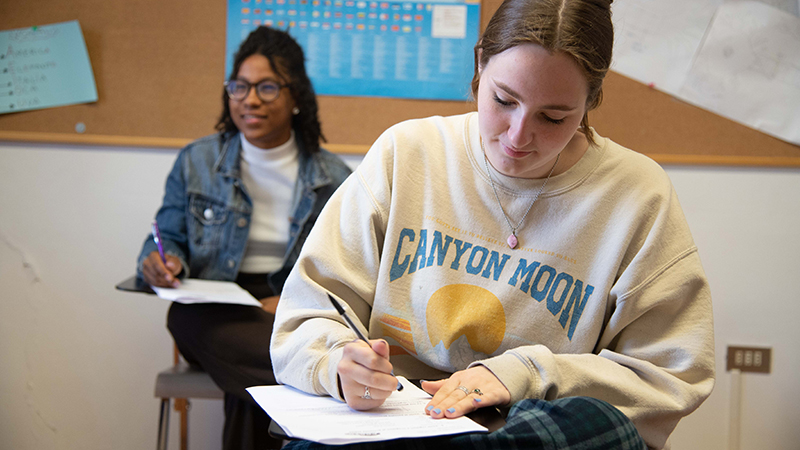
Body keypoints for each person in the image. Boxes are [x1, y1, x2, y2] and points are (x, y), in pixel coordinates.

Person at [270, 0, 716, 448]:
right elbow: (308, 315)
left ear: (591, 100)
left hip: (526, 428)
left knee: (598, 425)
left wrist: (524, 374)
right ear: (480, 64)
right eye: (503, 100)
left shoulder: (638, 193)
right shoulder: (407, 153)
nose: (518, 136)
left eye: (553, 117)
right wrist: (339, 366)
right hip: (394, 422)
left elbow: (670, 376)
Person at [136, 26, 352, 450]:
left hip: (290, 309)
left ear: (295, 98)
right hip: (212, 310)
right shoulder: (196, 162)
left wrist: (289, 303)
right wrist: (161, 261)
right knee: (193, 319)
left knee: (253, 391)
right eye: (240, 86)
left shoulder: (334, 178)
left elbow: (345, 271)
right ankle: (337, 379)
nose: (250, 99)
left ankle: (326, 376)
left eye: (267, 87)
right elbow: (167, 235)